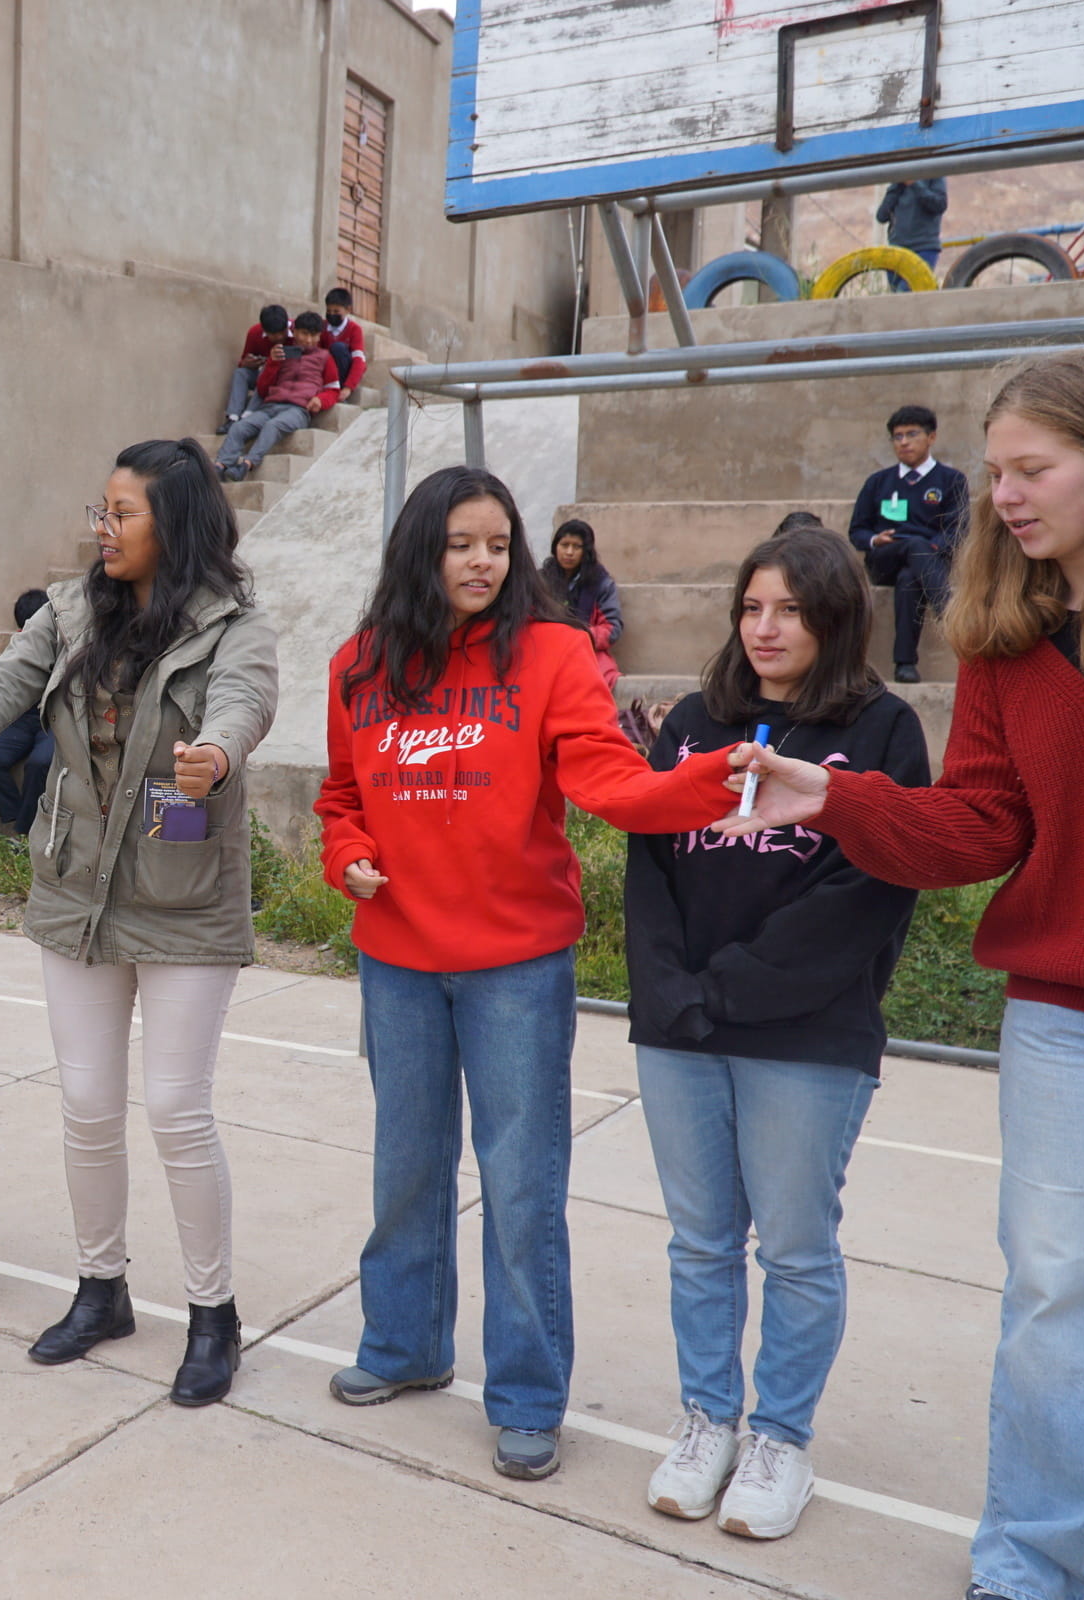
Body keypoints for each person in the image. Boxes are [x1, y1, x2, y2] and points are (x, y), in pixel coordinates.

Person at [721, 349, 1084, 1600]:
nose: (1009, 497)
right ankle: (1033, 1568)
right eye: (997, 473)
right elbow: (980, 824)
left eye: (1034, 470)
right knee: (1055, 1307)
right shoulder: (1001, 637)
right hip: (1069, 1021)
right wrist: (831, 794)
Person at [0, 438, 280, 1405]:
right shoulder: (71, 614)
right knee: (86, 1104)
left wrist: (218, 756)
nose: (101, 530)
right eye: (98, 512)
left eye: (123, 514)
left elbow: (245, 703)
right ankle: (102, 1288)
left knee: (175, 1109)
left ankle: (212, 1313)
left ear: (177, 523)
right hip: (77, 885)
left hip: (182, 887)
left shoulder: (236, 623)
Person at [314, 464, 736, 1483]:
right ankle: (405, 1346)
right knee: (405, 1166)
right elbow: (339, 796)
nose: (482, 561)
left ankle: (528, 1394)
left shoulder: (550, 654)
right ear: (423, 548)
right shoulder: (360, 664)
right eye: (462, 543)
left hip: (516, 967)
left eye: (498, 544)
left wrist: (709, 784)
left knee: (521, 1182)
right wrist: (346, 854)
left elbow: (607, 779)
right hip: (398, 960)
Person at [626, 525, 930, 1541]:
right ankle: (708, 1419)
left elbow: (870, 892)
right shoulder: (700, 720)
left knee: (796, 1249)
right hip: (683, 1026)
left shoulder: (884, 731)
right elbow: (652, 867)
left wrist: (736, 986)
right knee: (701, 1242)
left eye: (790, 610)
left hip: (807, 1032)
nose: (766, 627)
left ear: (835, 618)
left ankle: (780, 1440)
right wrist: (675, 988)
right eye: (753, 608)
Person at [846, 405, 969, 683]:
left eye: (911, 434)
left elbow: (956, 529)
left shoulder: (951, 481)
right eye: (897, 436)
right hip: (885, 559)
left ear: (931, 437)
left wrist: (933, 549)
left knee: (910, 577)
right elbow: (857, 531)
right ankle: (949, 613)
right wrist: (876, 539)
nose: (903, 442)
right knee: (913, 546)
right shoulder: (878, 482)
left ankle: (905, 665)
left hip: (928, 560)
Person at [216, 312, 340, 483]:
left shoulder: (325, 357)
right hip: (270, 406)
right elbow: (262, 387)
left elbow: (333, 390)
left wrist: (321, 400)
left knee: (272, 426)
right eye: (305, 334)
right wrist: (273, 363)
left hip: (298, 410)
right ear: (294, 332)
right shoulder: (282, 352)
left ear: (320, 336)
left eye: (314, 335)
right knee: (238, 428)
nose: (309, 340)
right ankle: (220, 466)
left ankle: (246, 465)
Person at [0, 589, 55, 831]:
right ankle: (12, 816)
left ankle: (26, 829)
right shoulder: (16, 647)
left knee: (40, 762)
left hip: (53, 719)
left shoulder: (67, 645)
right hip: (21, 718)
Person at [540, 518, 623, 690]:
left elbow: (612, 629)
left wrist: (580, 635)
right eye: (564, 545)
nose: (569, 552)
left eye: (576, 547)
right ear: (555, 547)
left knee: (588, 681)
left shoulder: (601, 584)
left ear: (586, 551)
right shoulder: (540, 581)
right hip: (546, 647)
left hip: (585, 649)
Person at [223, 304, 290, 428]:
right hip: (261, 376)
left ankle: (249, 414)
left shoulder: (297, 331)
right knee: (240, 373)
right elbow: (243, 361)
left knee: (265, 371)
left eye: (282, 332)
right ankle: (233, 416)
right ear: (264, 331)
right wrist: (246, 363)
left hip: (284, 380)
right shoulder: (254, 333)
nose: (279, 337)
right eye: (274, 334)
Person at [876, 178, 947, 286]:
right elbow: (881, 216)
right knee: (896, 298)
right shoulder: (898, 184)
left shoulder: (934, 175)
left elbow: (939, 205)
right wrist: (896, 187)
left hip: (924, 248)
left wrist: (915, 184)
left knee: (909, 290)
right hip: (897, 249)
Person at [323, 286, 369, 397]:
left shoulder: (354, 329)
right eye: (329, 311)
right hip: (327, 371)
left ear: (348, 309)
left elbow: (359, 360)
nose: (332, 314)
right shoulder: (322, 327)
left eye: (336, 311)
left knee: (338, 348)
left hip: (343, 373)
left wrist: (348, 387)